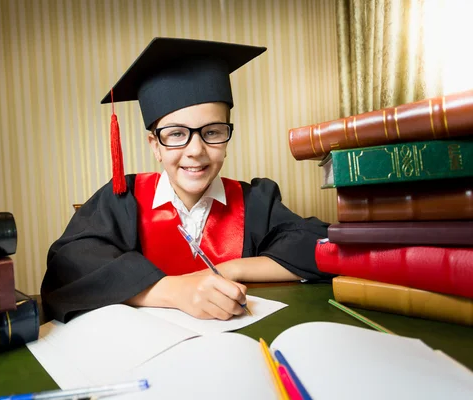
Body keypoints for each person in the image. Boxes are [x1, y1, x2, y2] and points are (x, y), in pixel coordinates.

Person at [41, 37, 334, 324]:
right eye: (177, 134)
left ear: (227, 136)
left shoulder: (255, 201)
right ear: (154, 145)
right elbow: (69, 266)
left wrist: (228, 270)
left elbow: (320, 247)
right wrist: (172, 291)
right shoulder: (123, 200)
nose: (196, 150)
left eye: (213, 131)